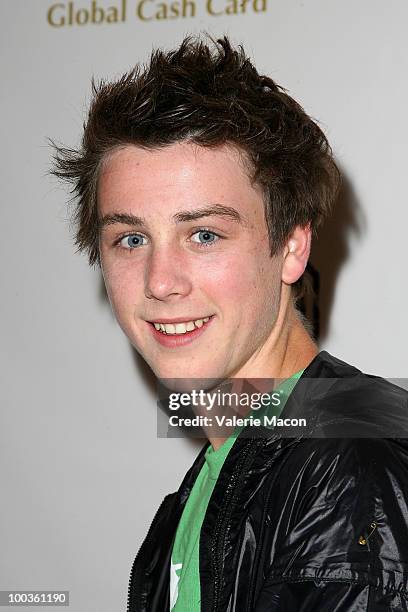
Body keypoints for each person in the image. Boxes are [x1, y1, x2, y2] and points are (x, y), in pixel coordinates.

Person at [51, 35, 408, 611]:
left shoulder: (347, 472)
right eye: (131, 238)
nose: (160, 281)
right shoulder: (227, 473)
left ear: (292, 247)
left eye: (204, 235)